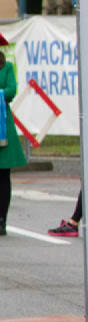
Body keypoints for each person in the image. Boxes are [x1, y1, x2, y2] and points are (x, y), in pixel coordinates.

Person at [0, 48, 27, 236]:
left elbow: (11, 90)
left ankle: (2, 219)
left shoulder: (7, 67)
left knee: (3, 176)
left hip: (2, 125)